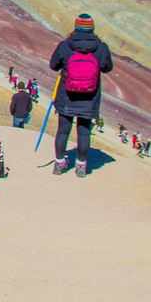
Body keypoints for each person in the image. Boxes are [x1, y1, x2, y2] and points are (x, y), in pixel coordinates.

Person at [49, 13, 114, 178]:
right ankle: (81, 167)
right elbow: (107, 68)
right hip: (89, 98)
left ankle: (59, 164)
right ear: (92, 28)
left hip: (66, 96)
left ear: (76, 27)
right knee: (84, 132)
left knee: (63, 131)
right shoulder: (101, 47)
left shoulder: (65, 46)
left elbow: (53, 65)